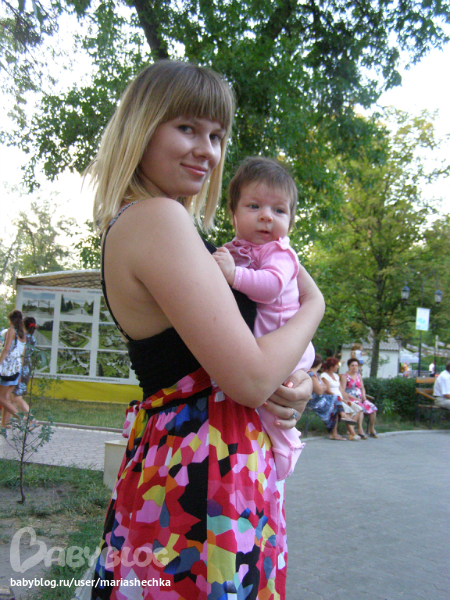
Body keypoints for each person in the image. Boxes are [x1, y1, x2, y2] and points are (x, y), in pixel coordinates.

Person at [87, 60, 325, 599]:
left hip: (195, 464)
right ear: (142, 127)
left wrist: (299, 383)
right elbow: (249, 379)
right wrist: (318, 305)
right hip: (203, 475)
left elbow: (252, 359)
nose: (207, 151)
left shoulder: (152, 221)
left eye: (216, 135)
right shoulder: (156, 218)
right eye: (187, 128)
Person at [213, 156, 317, 479]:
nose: (266, 216)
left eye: (279, 210)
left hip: (286, 344)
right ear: (233, 213)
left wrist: (233, 275)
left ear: (291, 221)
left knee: (274, 407)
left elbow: (270, 287)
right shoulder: (239, 249)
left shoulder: (280, 253)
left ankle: (287, 448)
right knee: (264, 403)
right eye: (254, 206)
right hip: (267, 343)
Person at [307, 354, 357, 441]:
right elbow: (320, 391)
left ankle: (335, 432)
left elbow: (324, 387)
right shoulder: (311, 374)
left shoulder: (317, 375)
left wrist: (321, 387)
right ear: (319, 364)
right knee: (335, 402)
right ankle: (341, 420)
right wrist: (322, 387)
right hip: (315, 401)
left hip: (321, 399)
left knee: (335, 403)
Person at [2, 317, 38, 429]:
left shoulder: (21, 337)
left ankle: (31, 419)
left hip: (18, 368)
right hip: (26, 369)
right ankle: (4, 423)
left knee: (15, 397)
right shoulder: (32, 338)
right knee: (10, 397)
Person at [320, 357, 365, 441]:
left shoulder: (336, 376)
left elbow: (341, 390)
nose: (338, 367)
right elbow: (328, 390)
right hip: (331, 399)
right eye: (336, 365)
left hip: (340, 398)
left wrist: (346, 399)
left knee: (357, 408)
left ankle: (350, 430)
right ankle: (352, 433)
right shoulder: (324, 376)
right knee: (346, 409)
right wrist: (339, 399)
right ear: (331, 366)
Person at [0, 310, 27, 427]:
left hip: (8, 370)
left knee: (1, 397)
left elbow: (6, 349)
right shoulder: (22, 335)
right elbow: (22, 355)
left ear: (10, 319)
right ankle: (4, 424)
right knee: (6, 397)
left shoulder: (11, 331)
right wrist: (20, 373)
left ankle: (23, 418)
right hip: (16, 369)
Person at [341, 358, 378, 438]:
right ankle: (360, 429)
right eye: (352, 365)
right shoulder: (345, 376)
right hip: (351, 399)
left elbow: (362, 388)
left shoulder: (358, 375)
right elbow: (343, 391)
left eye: (356, 365)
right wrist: (354, 398)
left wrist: (364, 396)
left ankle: (371, 429)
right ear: (349, 366)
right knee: (360, 407)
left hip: (360, 398)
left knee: (373, 408)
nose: (354, 367)